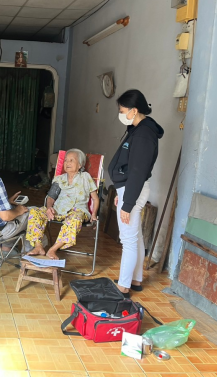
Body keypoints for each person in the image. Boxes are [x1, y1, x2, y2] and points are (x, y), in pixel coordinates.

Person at [108, 89, 164, 295]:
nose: (121, 114)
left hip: (133, 190)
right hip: (129, 188)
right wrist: (120, 193)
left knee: (128, 240)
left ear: (134, 110)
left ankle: (123, 286)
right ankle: (135, 279)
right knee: (136, 237)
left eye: (123, 111)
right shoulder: (137, 129)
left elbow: (138, 172)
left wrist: (128, 203)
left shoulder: (144, 134)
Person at [25, 149, 99, 260]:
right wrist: (49, 208)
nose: (67, 163)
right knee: (35, 211)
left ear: (80, 165)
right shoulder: (60, 179)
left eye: (71, 160)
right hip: (58, 210)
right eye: (65, 160)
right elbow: (50, 197)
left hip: (77, 211)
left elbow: (95, 198)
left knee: (75, 219)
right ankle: (38, 246)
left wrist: (94, 214)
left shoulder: (85, 177)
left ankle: (53, 249)